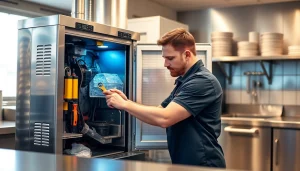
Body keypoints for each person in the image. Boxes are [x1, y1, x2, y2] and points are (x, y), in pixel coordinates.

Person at [103, 28, 226, 168]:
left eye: (170, 58)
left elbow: (165, 118)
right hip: (186, 164)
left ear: (187, 55)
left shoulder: (202, 81)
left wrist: (124, 105)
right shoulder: (185, 81)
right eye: (165, 58)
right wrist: (126, 102)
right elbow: (159, 111)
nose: (165, 64)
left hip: (203, 165)